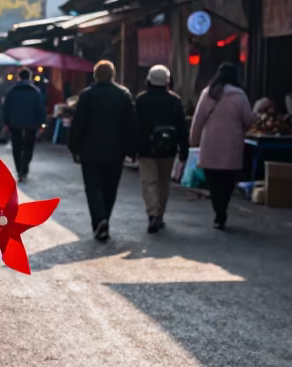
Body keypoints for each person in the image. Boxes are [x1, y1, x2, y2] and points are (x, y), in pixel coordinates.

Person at [68, 59, 137, 241]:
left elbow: (78, 124)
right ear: (113, 75)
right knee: (110, 187)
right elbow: (131, 124)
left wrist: (73, 147)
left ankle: (99, 219)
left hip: (90, 150)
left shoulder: (87, 95)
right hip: (116, 150)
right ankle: (104, 216)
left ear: (96, 75)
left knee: (93, 187)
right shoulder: (124, 95)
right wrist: (132, 149)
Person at [190, 62, 255, 229]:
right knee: (227, 182)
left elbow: (198, 120)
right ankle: (222, 210)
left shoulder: (208, 93)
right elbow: (249, 121)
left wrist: (193, 140)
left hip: (210, 146)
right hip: (231, 148)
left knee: (213, 182)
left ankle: (219, 213)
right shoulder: (240, 96)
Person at [135, 65, 189, 233]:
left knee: (149, 182)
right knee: (163, 183)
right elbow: (181, 127)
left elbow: (134, 125)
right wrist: (184, 149)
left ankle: (152, 213)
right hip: (169, 148)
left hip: (146, 148)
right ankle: (159, 215)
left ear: (149, 80)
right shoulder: (175, 100)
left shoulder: (141, 100)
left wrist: (131, 147)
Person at [1, 66, 46, 181]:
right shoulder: (36, 92)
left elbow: (6, 108)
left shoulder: (11, 91)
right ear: (30, 77)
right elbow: (40, 109)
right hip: (31, 125)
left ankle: (19, 170)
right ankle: (25, 168)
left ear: (19, 77)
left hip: (15, 124)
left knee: (16, 147)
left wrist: (5, 122)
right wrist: (41, 123)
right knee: (28, 147)